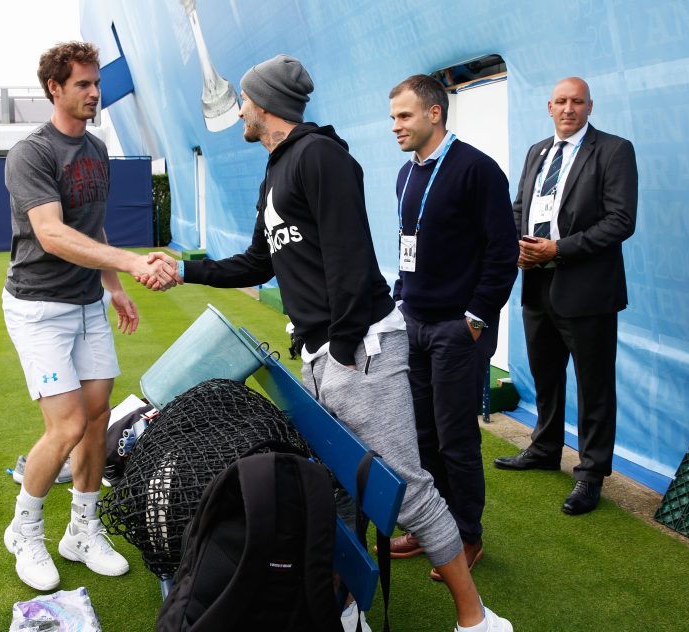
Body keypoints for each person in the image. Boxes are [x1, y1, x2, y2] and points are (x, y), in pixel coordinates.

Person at [162, 54, 511, 632]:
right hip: (321, 353)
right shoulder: (275, 168)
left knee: (409, 488)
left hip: (361, 349)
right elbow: (257, 261)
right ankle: (345, 609)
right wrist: (183, 271)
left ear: (265, 103)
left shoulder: (321, 156)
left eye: (245, 100)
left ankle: (476, 620)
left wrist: (345, 348)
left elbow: (351, 260)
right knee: (336, 487)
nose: (240, 109)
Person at [1, 41, 180, 591]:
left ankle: (81, 530)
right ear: (54, 88)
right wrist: (130, 261)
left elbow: (90, 226)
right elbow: (53, 235)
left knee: (98, 416)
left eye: (96, 83)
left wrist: (115, 286)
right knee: (69, 424)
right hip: (38, 309)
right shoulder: (31, 153)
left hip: (87, 306)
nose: (95, 93)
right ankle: (24, 531)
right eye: (82, 84)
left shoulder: (97, 149)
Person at [385, 75, 517, 578]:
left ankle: (466, 537)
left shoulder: (477, 170)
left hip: (457, 331)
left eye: (404, 116)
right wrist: (401, 302)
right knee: (419, 435)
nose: (395, 125)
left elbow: (503, 253)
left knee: (455, 437)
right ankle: (429, 529)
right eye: (393, 116)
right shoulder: (405, 174)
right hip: (414, 324)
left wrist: (476, 318)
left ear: (434, 114)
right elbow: (408, 246)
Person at [493, 77, 638, 516]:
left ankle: (591, 474)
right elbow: (519, 208)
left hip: (588, 290)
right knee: (546, 374)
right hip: (537, 283)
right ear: (549, 106)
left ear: (590, 107)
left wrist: (560, 249)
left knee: (594, 386)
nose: (568, 108)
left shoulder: (614, 150)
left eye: (577, 102)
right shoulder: (538, 151)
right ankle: (545, 447)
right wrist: (514, 246)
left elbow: (621, 220)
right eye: (561, 101)